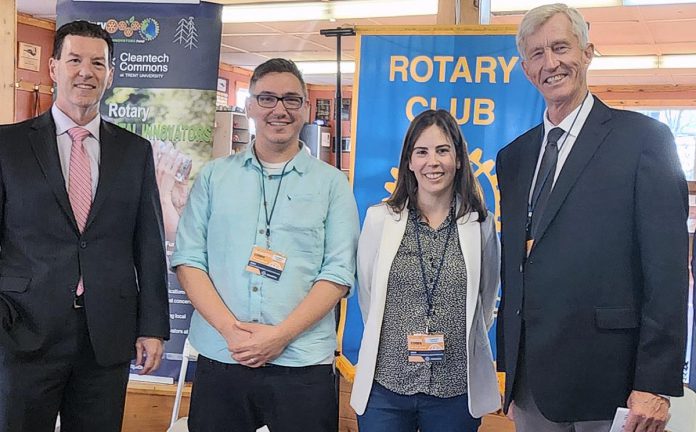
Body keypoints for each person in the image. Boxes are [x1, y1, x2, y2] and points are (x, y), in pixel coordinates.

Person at [495, 4, 689, 432]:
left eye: (561, 47)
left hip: (613, 385)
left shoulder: (644, 141)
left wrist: (655, 383)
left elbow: (669, 270)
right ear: (526, 69)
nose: (551, 63)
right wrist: (511, 374)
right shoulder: (513, 158)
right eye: (537, 54)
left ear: (588, 52)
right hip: (533, 390)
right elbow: (518, 268)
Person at [172, 58, 360, 432]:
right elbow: (190, 260)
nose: (280, 109)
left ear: (306, 108)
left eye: (291, 100)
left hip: (302, 363)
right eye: (268, 98)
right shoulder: (214, 178)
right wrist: (231, 331)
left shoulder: (332, 184)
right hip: (222, 355)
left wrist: (279, 337)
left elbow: (338, 273)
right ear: (249, 105)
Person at [0, 20, 169, 432]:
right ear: (54, 68)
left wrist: (153, 327)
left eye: (98, 63)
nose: (86, 71)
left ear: (110, 75)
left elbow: (148, 245)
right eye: (74, 59)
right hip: (23, 331)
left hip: (106, 337)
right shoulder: (8, 145)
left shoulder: (135, 152)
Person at [350, 109, 501, 431]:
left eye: (443, 150)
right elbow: (368, 294)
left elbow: (485, 300)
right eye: (422, 152)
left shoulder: (481, 224)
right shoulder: (380, 219)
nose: (433, 162)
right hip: (386, 386)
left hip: (455, 389)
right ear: (409, 161)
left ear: (459, 159)